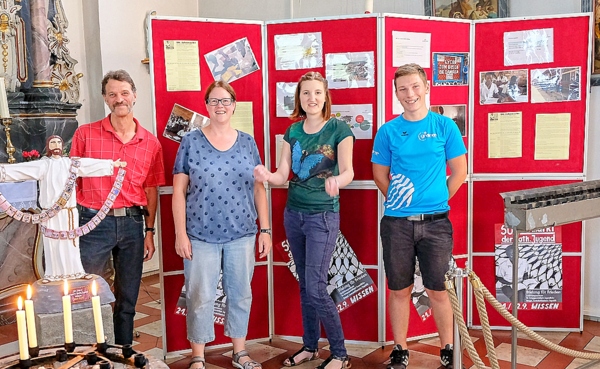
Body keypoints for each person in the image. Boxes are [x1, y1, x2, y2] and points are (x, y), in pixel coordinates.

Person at [254, 71, 354, 369]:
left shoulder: (340, 129)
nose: (312, 98)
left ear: (326, 97)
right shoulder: (293, 131)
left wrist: (338, 181)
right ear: (299, 98)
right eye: (306, 93)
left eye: (317, 93)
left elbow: (348, 171)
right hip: (293, 214)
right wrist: (267, 176)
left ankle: (339, 353)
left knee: (315, 286)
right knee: (305, 285)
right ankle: (310, 346)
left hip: (322, 216)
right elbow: (283, 174)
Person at [371, 63, 467, 369]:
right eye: (403, 88)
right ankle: (400, 349)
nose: (410, 94)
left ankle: (448, 348)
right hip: (397, 224)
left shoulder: (444, 127)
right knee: (399, 289)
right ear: (396, 93)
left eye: (415, 86)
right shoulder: (387, 131)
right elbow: (379, 174)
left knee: (439, 290)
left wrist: (435, 200)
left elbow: (460, 172)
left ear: (426, 87)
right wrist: (403, 200)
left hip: (437, 224)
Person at [172, 80, 272, 369]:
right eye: (214, 101)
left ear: (234, 105)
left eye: (225, 101)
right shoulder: (190, 141)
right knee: (199, 296)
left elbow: (258, 188)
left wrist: (265, 229)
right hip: (200, 234)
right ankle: (198, 356)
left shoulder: (248, 142)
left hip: (241, 233)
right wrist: (180, 233)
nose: (220, 106)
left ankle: (239, 352)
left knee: (240, 293)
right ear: (206, 106)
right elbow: (179, 190)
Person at [70, 69, 165, 345]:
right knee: (89, 289)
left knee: (128, 292)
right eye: (112, 94)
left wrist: (149, 231)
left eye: (124, 93)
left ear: (134, 96)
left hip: (132, 224)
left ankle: (122, 346)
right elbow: (72, 180)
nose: (119, 99)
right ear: (104, 98)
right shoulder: (85, 134)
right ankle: (92, 346)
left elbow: (151, 189)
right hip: (93, 222)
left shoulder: (151, 143)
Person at [0, 135, 125, 281]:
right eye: (53, 142)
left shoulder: (71, 163)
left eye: (59, 142)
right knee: (52, 243)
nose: (56, 145)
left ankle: (76, 271)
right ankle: (53, 274)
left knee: (71, 243)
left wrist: (112, 164)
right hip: (50, 213)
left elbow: (88, 165)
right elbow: (22, 169)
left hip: (69, 212)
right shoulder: (43, 165)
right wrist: (3, 172)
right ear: (48, 146)